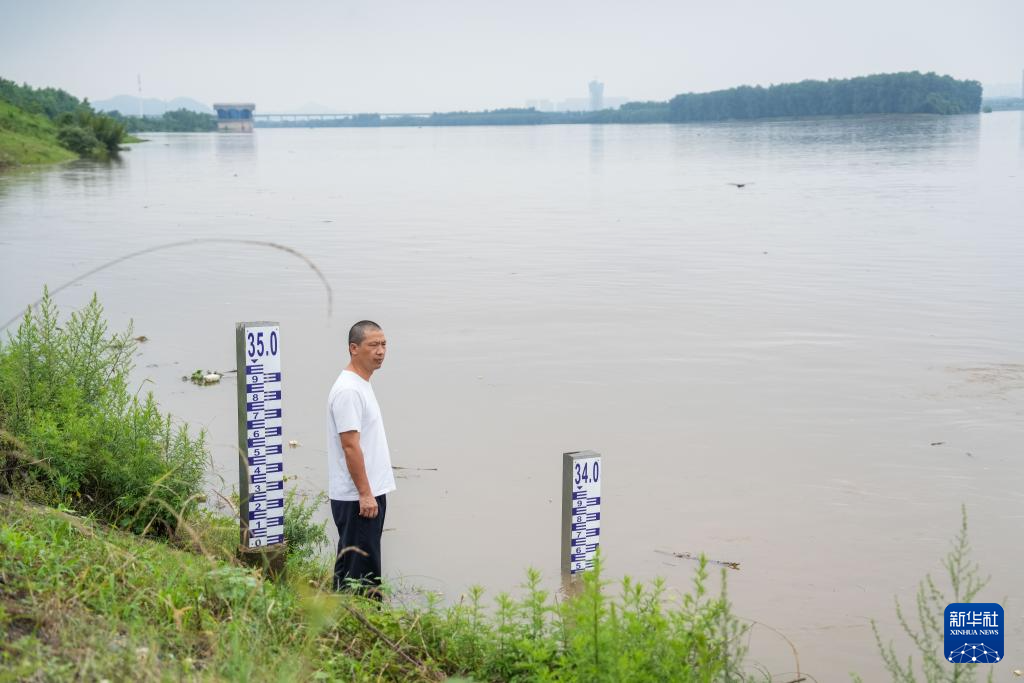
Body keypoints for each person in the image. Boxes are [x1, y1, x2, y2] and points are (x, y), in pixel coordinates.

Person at [325, 320, 396, 598]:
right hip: (358, 498)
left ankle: (339, 624)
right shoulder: (349, 391)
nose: (380, 351)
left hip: (368, 493)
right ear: (354, 349)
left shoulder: (361, 384)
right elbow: (350, 446)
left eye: (384, 344)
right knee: (362, 576)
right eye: (373, 345)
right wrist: (365, 494)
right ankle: (360, 630)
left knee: (353, 568)